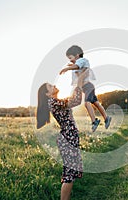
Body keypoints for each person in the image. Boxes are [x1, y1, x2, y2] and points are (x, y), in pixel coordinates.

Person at [36, 71, 86, 200]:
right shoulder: (53, 102)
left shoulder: (56, 101)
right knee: (69, 175)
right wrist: (79, 82)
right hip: (67, 139)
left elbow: (74, 99)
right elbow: (76, 101)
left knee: (71, 174)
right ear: (48, 94)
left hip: (69, 138)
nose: (54, 86)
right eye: (50, 86)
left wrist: (77, 83)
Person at [59, 45, 111, 132]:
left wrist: (67, 68)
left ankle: (95, 121)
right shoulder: (78, 63)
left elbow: (77, 66)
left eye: (70, 58)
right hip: (86, 87)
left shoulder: (82, 60)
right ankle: (106, 118)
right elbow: (77, 68)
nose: (70, 60)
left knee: (87, 103)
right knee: (96, 103)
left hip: (88, 87)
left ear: (77, 55)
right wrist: (71, 65)